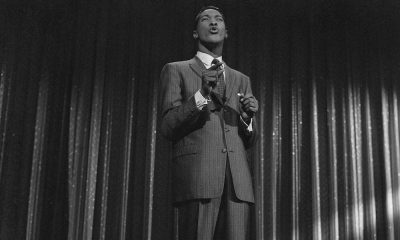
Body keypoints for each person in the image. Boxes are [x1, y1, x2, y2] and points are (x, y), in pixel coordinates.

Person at [159, 6, 259, 240]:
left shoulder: (241, 79)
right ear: (195, 33)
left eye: (219, 20)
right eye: (206, 19)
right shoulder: (176, 70)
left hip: (237, 185)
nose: (213, 23)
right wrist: (201, 95)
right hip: (198, 179)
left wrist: (247, 119)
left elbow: (250, 139)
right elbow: (167, 126)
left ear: (226, 32)